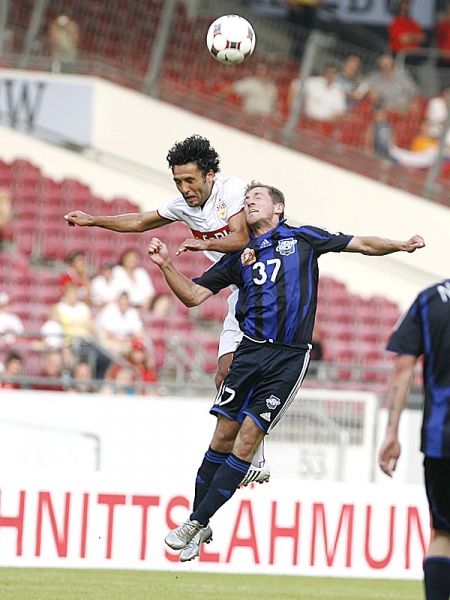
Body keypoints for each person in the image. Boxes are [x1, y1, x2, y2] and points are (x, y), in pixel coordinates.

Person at [147, 180, 425, 563]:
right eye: (247, 199)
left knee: (246, 440)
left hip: (289, 358)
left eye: (257, 197)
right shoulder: (241, 255)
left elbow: (361, 243)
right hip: (249, 353)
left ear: (278, 207)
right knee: (222, 437)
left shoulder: (303, 238)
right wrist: (165, 265)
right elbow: (194, 295)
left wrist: (401, 244)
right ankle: (200, 522)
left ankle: (195, 522)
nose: (249, 201)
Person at [64, 134, 266, 487]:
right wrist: (93, 220)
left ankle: (251, 455)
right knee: (224, 374)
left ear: (210, 174)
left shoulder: (232, 189)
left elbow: (240, 238)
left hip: (267, 286)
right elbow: (140, 221)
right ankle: (254, 455)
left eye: (190, 180)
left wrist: (203, 243)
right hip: (239, 290)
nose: (184, 188)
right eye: (178, 181)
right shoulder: (183, 206)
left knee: (254, 373)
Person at [378, 278, 450, 600]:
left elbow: (403, 367)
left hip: (441, 438)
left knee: (444, 534)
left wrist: (391, 432)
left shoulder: (430, 300)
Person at [354, 54, 420, 114]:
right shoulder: (374, 77)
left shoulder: (402, 75)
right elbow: (362, 87)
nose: (385, 65)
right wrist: (369, 92)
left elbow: (415, 92)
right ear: (379, 65)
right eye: (383, 63)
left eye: (388, 63)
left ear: (393, 64)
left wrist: (411, 105)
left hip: (405, 106)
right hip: (386, 108)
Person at [217, 62, 281, 119]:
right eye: (258, 69)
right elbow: (231, 89)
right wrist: (219, 99)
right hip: (251, 117)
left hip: (266, 118)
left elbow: (275, 103)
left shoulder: (272, 86)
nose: (261, 71)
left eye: (263, 69)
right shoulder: (249, 82)